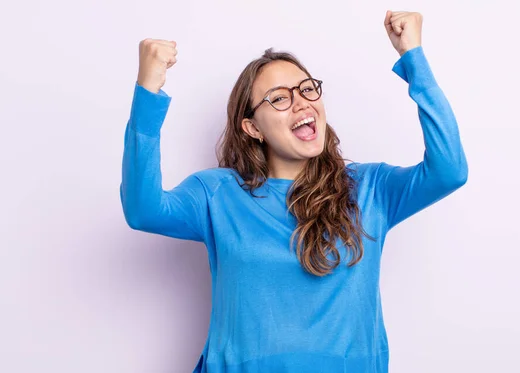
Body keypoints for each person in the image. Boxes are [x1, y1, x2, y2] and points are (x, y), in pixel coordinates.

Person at [120, 10, 468, 373]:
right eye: (279, 98)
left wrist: (413, 57)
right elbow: (143, 209)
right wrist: (148, 92)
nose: (302, 102)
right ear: (252, 127)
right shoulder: (216, 194)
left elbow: (449, 171)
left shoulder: (370, 189)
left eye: (306, 89)